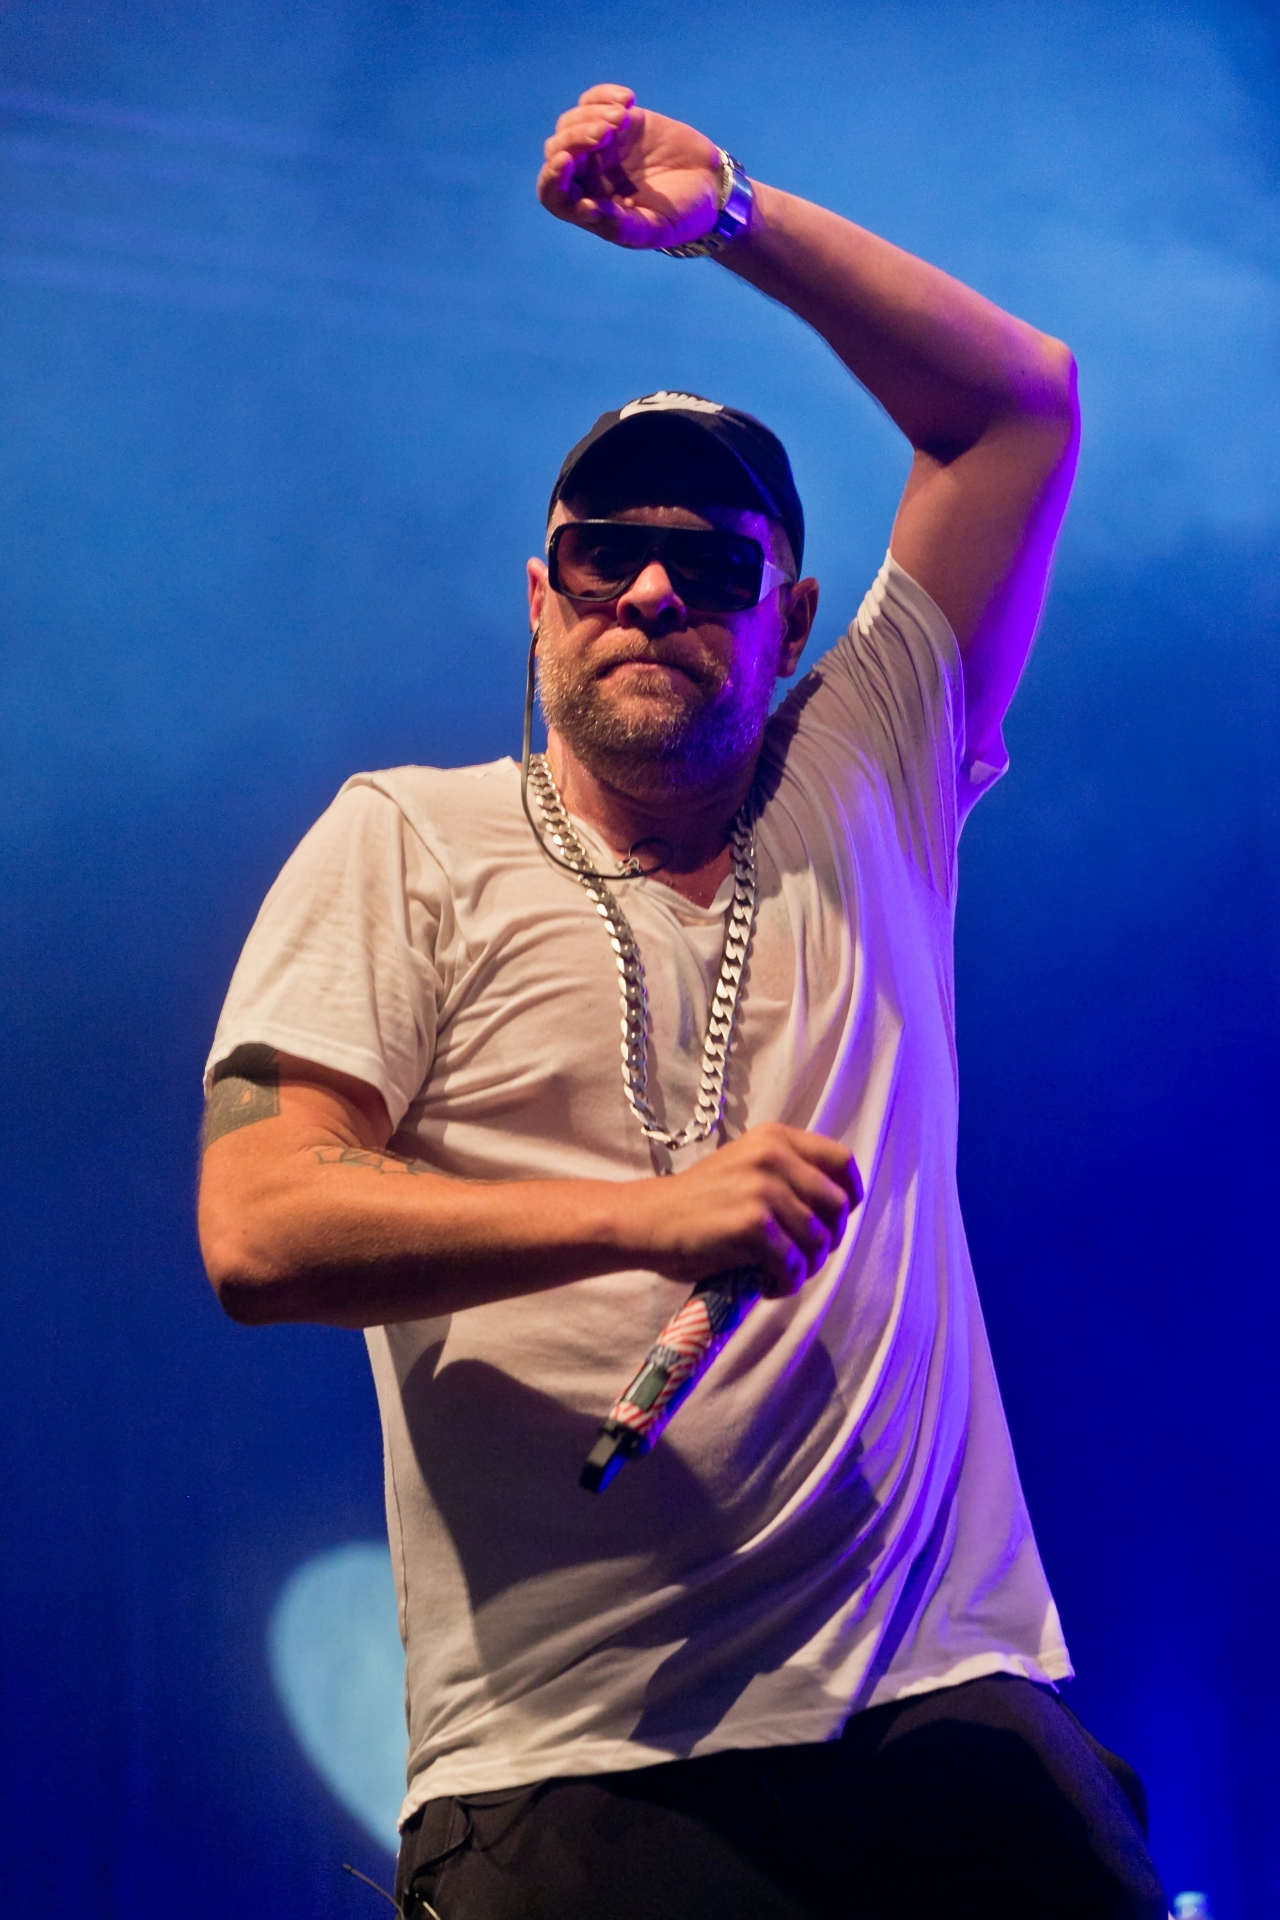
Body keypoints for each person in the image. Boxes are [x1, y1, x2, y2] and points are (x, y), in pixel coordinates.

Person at [198, 85, 1166, 1920]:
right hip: (577, 1757)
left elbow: (1019, 404)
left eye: (715, 566)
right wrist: (645, 1219)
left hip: (937, 1704)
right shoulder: (406, 839)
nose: (653, 589)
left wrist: (731, 217)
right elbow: (256, 1227)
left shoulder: (868, 772)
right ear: (541, 598)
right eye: (605, 554)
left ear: (788, 619)